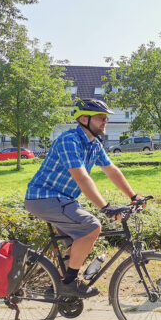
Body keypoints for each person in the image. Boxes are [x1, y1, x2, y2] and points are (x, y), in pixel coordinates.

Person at [24, 98, 143, 298]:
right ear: (84, 119)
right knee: (91, 226)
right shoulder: (69, 140)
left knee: (77, 243)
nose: (105, 121)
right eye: (100, 118)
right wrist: (105, 207)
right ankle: (69, 284)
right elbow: (81, 177)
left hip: (63, 200)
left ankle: (57, 286)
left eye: (106, 118)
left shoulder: (94, 144)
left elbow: (111, 171)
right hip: (44, 197)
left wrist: (133, 195)